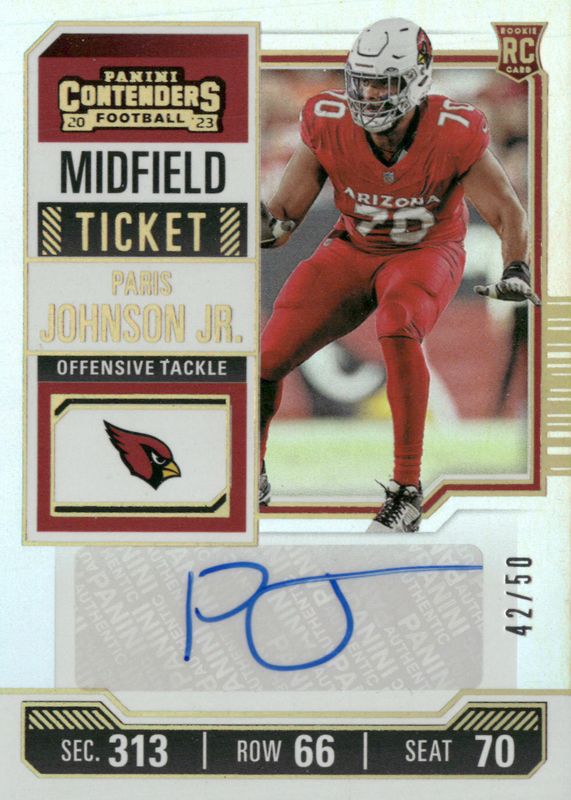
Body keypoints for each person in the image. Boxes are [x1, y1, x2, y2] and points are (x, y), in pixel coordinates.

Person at [259, 18, 540, 532]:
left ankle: (407, 492)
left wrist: (517, 266)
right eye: (362, 79)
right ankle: (250, 473)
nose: (369, 93)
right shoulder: (328, 119)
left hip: (426, 251)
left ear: (417, 80)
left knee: (398, 323)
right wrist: (251, 223)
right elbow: (282, 220)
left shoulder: (453, 130)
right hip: (353, 249)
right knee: (269, 355)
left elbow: (506, 210)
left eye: (384, 82)